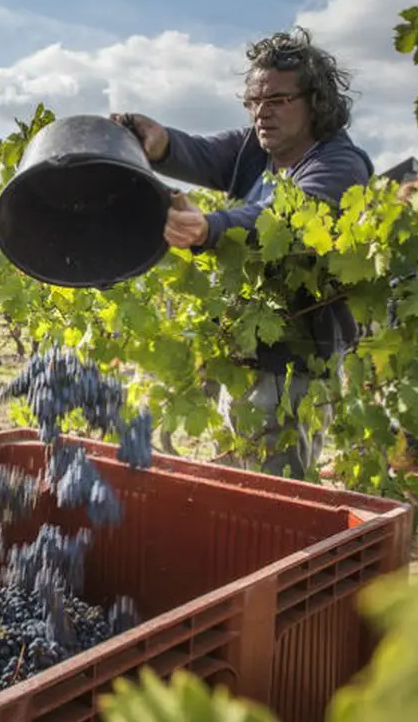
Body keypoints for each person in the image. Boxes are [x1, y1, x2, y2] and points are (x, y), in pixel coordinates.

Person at [109, 26, 374, 480]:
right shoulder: (254, 150)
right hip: (243, 355)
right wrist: (161, 141)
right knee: (239, 482)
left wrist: (210, 228)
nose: (260, 113)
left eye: (277, 100)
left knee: (278, 491)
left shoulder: (339, 165)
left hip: (294, 368)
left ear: (315, 101)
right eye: (253, 101)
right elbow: (200, 152)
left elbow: (285, 221)